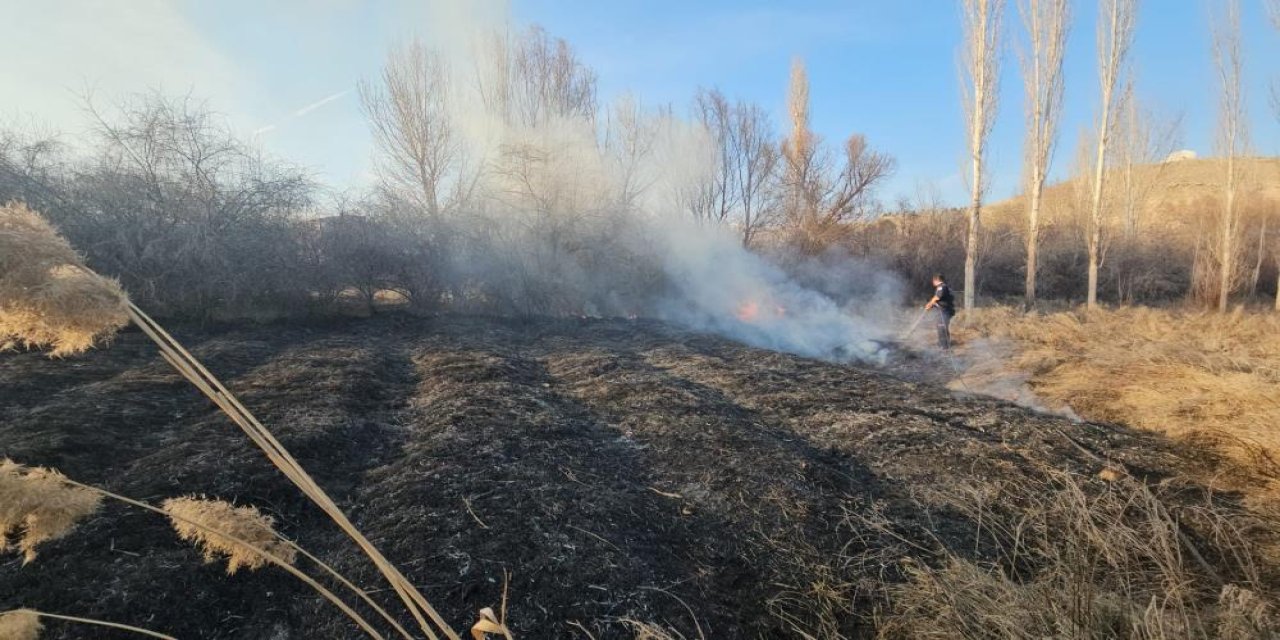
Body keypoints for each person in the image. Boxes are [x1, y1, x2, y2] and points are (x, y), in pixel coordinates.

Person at [923, 273, 955, 349]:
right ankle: (943, 344)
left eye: (933, 280)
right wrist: (931, 304)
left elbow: (937, 297)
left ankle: (944, 346)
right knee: (941, 327)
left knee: (942, 327)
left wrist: (930, 304)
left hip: (944, 311)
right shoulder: (945, 287)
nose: (932, 282)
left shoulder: (942, 287)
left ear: (936, 280)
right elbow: (939, 299)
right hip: (944, 310)